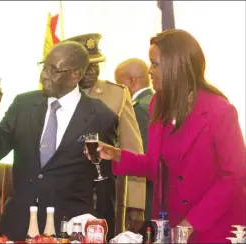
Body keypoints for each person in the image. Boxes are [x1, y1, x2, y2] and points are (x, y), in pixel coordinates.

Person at [89, 29, 246, 243]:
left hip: (215, 229)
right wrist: (116, 155)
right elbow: (157, 165)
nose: (149, 71)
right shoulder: (157, 105)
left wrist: (191, 223)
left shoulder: (220, 111)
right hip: (171, 228)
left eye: (154, 64)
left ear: (176, 65)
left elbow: (234, 177)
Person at [0, 41, 119, 241]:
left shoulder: (100, 116)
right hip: (19, 225)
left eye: (53, 70)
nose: (43, 76)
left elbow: (105, 184)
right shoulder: (23, 105)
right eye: (44, 67)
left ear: (76, 75)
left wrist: (104, 233)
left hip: (70, 229)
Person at [64, 33, 145, 237]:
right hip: (62, 191)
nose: (92, 71)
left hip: (99, 194)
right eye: (86, 65)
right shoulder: (57, 96)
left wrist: (135, 204)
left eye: (96, 64)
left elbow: (132, 149)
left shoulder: (117, 94)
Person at [114, 58, 154, 227]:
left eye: (118, 82)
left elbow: (139, 154)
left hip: (146, 194)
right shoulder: (154, 102)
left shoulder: (139, 109)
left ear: (132, 81)